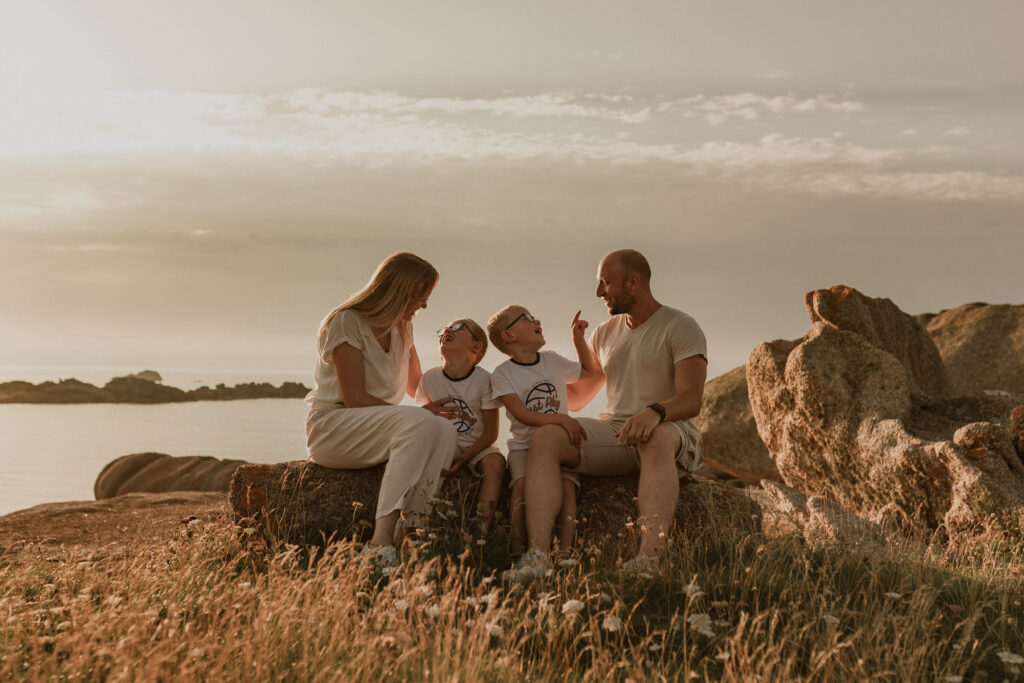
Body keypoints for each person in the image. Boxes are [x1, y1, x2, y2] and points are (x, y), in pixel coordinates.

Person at [510, 249, 707, 581]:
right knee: (548, 436)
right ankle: (539, 557)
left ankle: (648, 560)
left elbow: (692, 399)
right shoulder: (604, 332)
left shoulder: (680, 326)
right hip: (617, 433)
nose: (599, 293)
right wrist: (529, 375)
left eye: (605, 283)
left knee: (657, 437)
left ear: (634, 282)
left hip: (669, 429)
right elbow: (577, 397)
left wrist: (655, 412)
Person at [304, 252, 457, 569]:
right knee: (420, 421)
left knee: (444, 429)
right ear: (401, 289)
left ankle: (412, 532)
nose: (425, 305)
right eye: (422, 295)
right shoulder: (347, 322)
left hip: (379, 426)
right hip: (334, 426)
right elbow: (355, 398)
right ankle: (379, 543)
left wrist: (465, 385)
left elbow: (417, 388)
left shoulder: (403, 328)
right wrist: (420, 415)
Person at [486, 304, 603, 557]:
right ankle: (518, 551)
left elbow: (590, 372)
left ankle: (564, 554)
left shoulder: (552, 360)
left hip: (558, 444)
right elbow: (522, 414)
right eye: (527, 318)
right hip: (523, 446)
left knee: (568, 487)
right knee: (521, 486)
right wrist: (561, 419)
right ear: (509, 335)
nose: (536, 320)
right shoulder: (502, 374)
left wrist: (578, 339)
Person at [415, 317, 504, 532]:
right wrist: (423, 412)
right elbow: (423, 417)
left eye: (456, 327)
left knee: (495, 463)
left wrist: (467, 456)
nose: (446, 330)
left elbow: (491, 432)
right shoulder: (430, 378)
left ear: (476, 346)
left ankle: (480, 530)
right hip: (446, 442)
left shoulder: (485, 380)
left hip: (479, 445)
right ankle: (420, 524)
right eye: (444, 328)